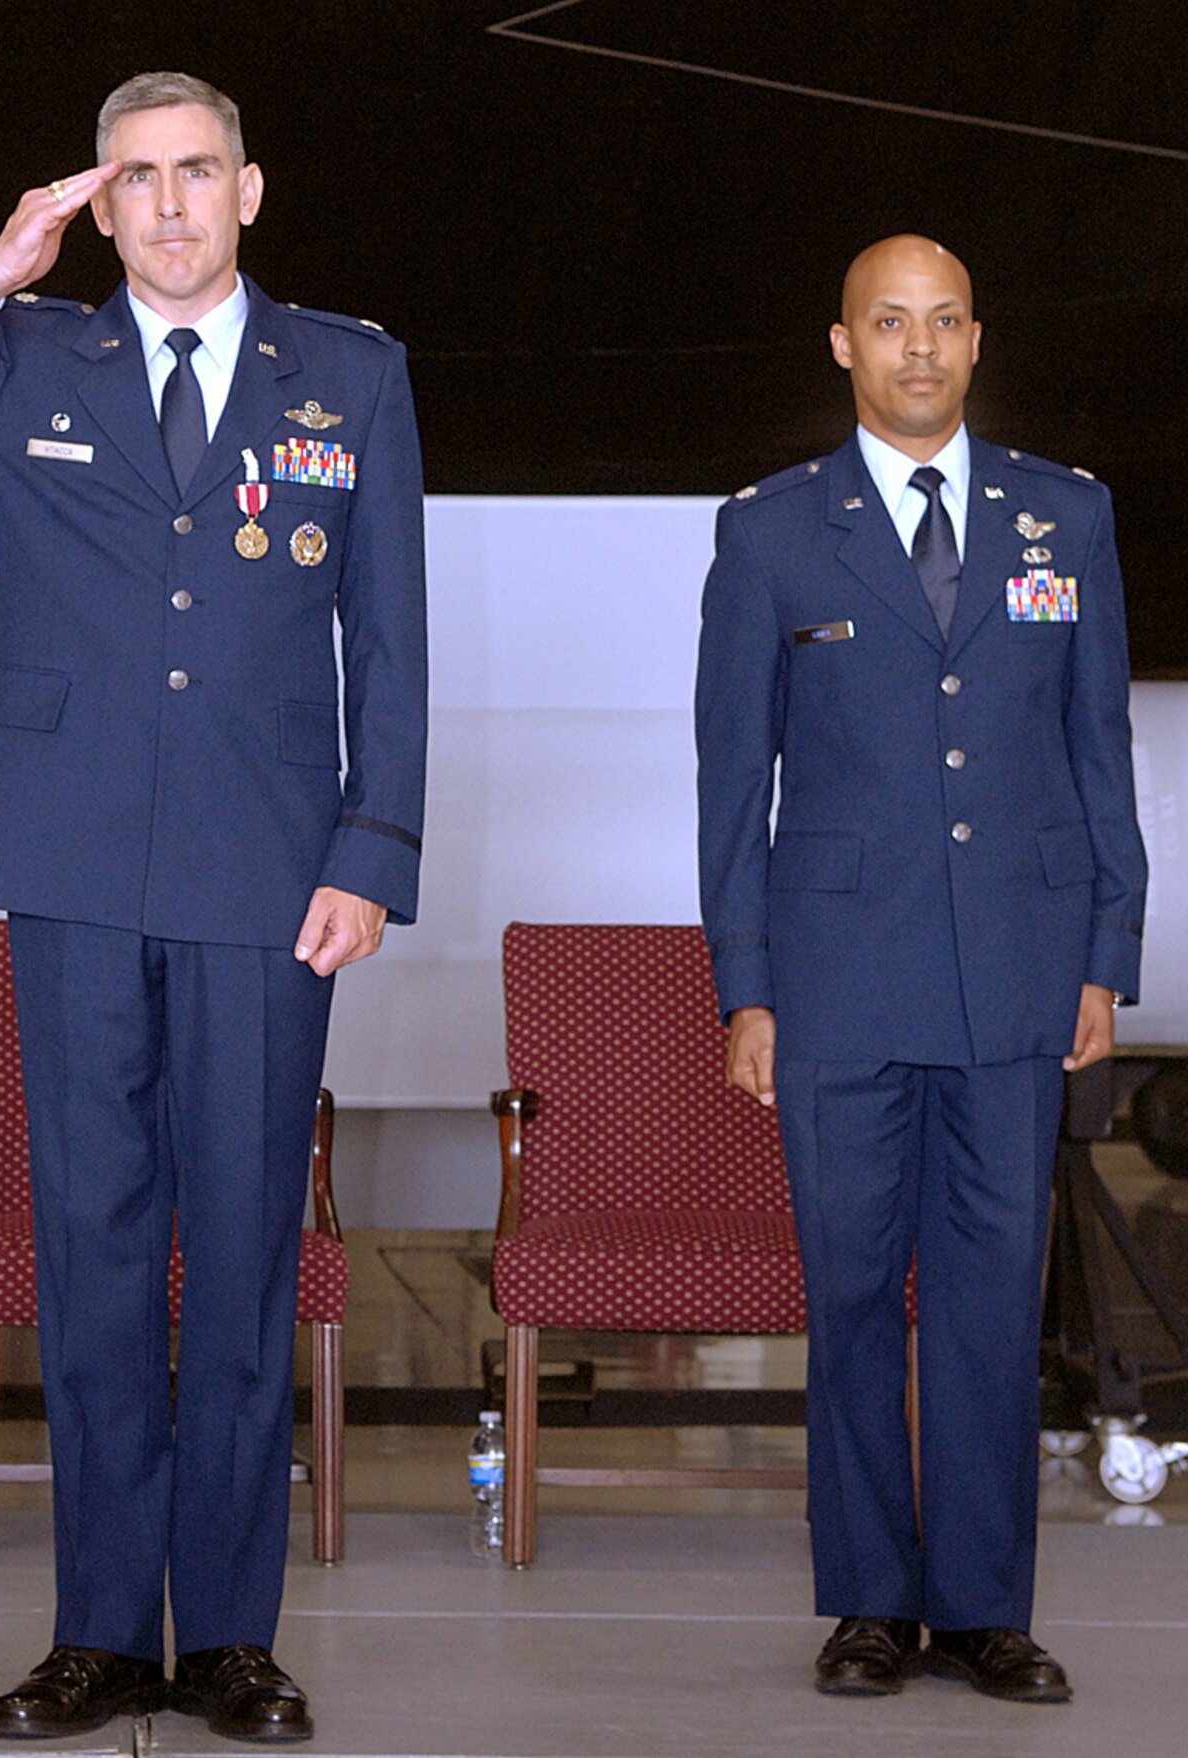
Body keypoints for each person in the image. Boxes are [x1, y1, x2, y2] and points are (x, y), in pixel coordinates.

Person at [0, 70, 425, 1745]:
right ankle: (103, 1632)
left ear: (249, 190)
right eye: (137, 176)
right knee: (94, 1245)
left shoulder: (349, 373)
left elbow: (391, 634)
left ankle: (235, 1641)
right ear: (99, 202)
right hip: (66, 861)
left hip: (269, 869)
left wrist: (372, 847)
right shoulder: (21, 358)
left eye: (198, 171)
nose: (171, 202)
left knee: (248, 1248)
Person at [696, 235, 1145, 1705]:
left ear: (976, 337)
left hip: (1018, 971)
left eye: (945, 321)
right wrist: (747, 985)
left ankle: (985, 1608)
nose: (920, 349)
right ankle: (871, 1603)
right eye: (890, 323)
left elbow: (1098, 753)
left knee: (991, 1300)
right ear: (844, 345)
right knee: (849, 1296)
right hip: (836, 979)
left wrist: (1107, 952)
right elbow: (731, 784)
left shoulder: (1065, 517)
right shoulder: (772, 532)